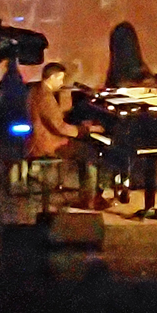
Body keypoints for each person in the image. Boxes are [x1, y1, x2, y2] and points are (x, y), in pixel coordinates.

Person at [25, 62, 104, 207]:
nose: (62, 83)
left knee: (84, 148)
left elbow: (55, 117)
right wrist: (86, 130)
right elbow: (59, 127)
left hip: (39, 139)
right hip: (48, 144)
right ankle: (89, 200)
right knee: (89, 153)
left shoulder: (36, 89)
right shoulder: (45, 97)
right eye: (60, 79)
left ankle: (89, 196)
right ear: (52, 77)